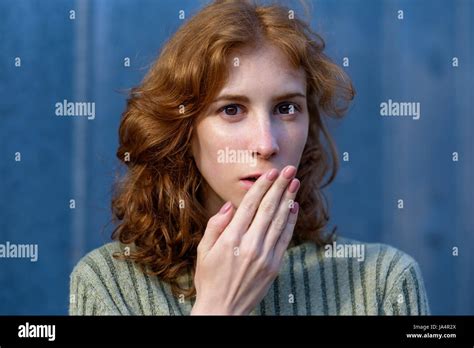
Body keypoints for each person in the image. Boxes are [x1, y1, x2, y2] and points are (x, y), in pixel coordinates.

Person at [69, 0, 430, 315]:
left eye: (287, 108)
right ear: (183, 129)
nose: (266, 143)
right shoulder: (106, 286)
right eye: (231, 110)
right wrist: (218, 309)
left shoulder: (385, 282)